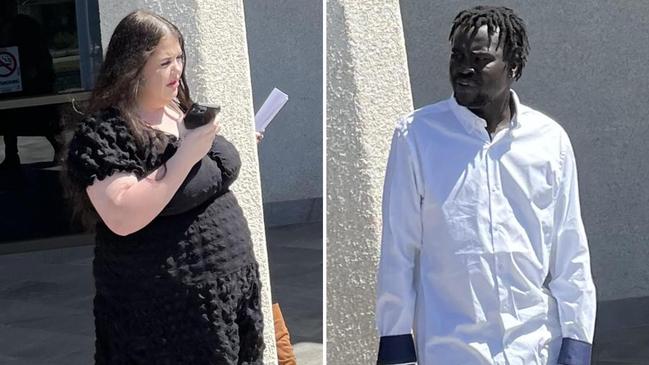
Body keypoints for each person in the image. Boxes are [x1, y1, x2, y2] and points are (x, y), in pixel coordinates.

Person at [376, 6, 596, 365]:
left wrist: (577, 343)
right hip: (451, 351)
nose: (464, 69)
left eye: (480, 60)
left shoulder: (550, 141)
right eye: (457, 56)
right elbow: (398, 251)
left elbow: (570, 253)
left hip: (536, 348)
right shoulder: (416, 136)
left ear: (513, 68)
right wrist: (396, 347)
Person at [62, 11, 264, 364]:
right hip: (167, 313)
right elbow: (122, 213)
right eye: (165, 62)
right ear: (133, 67)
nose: (178, 71)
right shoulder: (105, 132)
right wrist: (186, 154)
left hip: (228, 295)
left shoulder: (177, 109)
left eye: (180, 58)